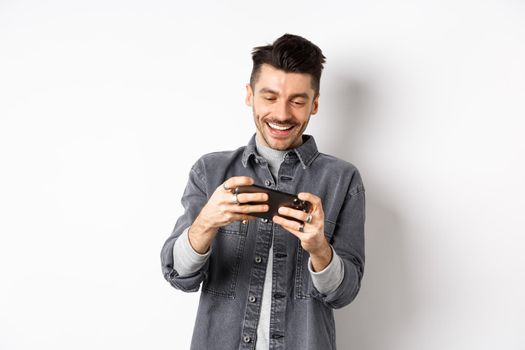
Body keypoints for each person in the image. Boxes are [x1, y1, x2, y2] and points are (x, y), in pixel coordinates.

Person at [161, 33, 365, 350]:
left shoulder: (343, 180)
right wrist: (206, 223)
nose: (282, 114)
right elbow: (179, 275)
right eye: (269, 98)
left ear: (315, 103)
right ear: (249, 95)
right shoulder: (210, 171)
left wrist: (319, 249)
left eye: (297, 101)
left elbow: (344, 292)